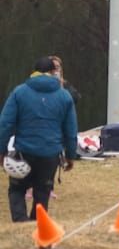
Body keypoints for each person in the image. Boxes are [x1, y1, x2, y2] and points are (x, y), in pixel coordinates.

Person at [0, 56, 78, 222]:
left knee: (17, 189)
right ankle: (37, 224)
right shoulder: (64, 96)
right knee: (42, 191)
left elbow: (5, 124)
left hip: (24, 151)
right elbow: (71, 130)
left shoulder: (19, 92)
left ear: (34, 72)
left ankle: (20, 222)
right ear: (52, 72)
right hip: (51, 154)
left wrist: (2, 151)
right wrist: (70, 155)